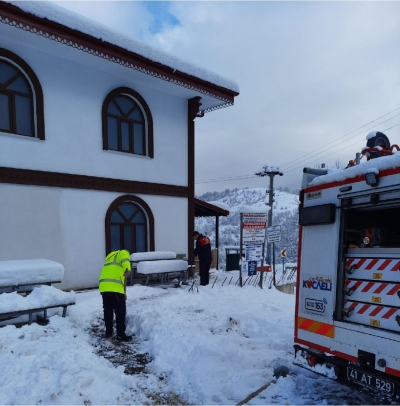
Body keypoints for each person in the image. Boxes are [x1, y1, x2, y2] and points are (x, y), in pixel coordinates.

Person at [99, 249, 132, 342]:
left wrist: (123, 293)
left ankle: (108, 332)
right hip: (115, 287)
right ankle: (121, 335)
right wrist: (127, 269)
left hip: (104, 287)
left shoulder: (109, 259)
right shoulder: (123, 253)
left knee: (108, 310)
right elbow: (125, 260)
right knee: (120, 311)